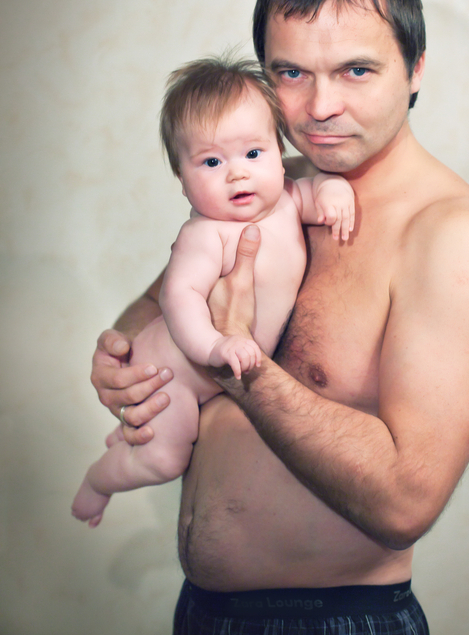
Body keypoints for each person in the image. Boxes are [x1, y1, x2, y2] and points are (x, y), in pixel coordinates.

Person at [90, 0, 469, 634]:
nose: (319, 106)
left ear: (414, 67)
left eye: (356, 70)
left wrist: (239, 369)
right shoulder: (266, 180)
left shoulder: (452, 237)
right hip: (203, 611)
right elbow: (164, 296)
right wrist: (124, 352)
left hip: (336, 620)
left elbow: (405, 501)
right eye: (290, 72)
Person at [72, 56, 355, 527]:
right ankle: (99, 481)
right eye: (211, 162)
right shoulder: (205, 235)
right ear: (182, 181)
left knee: (151, 436)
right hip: (173, 376)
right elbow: (178, 298)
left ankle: (125, 443)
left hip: (203, 377)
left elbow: (313, 193)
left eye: (253, 153)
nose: (237, 174)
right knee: (164, 460)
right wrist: (215, 346)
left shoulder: (286, 199)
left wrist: (332, 190)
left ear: (279, 150)